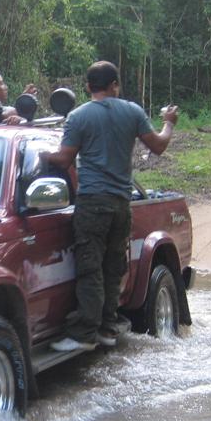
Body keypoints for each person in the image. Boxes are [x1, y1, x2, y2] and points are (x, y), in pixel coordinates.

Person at [43, 60, 177, 352]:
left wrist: (45, 156)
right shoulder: (133, 112)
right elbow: (158, 145)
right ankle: (107, 328)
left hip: (92, 203)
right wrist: (168, 122)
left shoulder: (78, 117)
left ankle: (84, 335)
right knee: (113, 268)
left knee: (90, 268)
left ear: (88, 86)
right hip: (121, 204)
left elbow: (64, 160)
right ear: (115, 84)